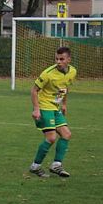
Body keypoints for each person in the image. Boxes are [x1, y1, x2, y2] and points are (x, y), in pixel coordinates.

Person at [29, 46, 76, 178]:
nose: (58, 62)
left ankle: (56, 165)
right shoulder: (47, 73)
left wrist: (64, 104)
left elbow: (64, 87)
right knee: (51, 137)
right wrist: (36, 109)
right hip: (44, 106)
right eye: (56, 59)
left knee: (66, 134)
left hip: (55, 107)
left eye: (62, 59)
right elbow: (34, 90)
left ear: (69, 60)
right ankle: (35, 166)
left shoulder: (72, 71)